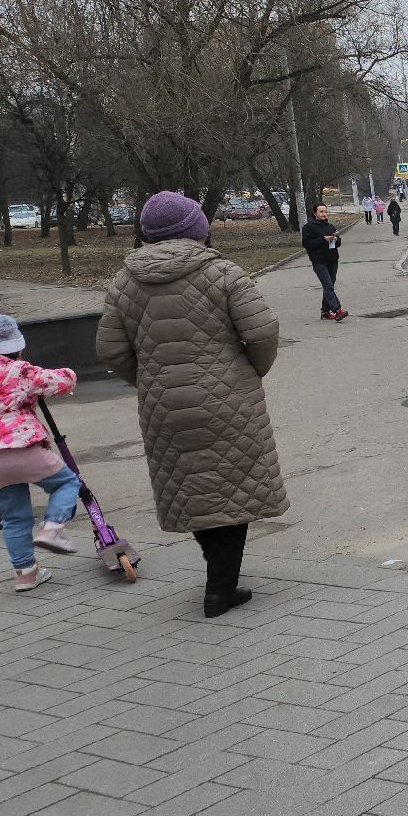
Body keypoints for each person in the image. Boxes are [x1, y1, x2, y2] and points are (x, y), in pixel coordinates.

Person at [97, 191, 287, 619]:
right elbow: (262, 331)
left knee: (196, 488)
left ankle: (219, 579)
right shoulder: (222, 273)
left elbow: (109, 349)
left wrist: (149, 379)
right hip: (228, 402)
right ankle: (221, 588)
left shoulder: (124, 282)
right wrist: (249, 371)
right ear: (197, 229)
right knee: (235, 489)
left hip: (163, 405)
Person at [0, 314, 82, 592]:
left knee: (14, 517)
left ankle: (26, 574)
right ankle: (52, 529)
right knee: (66, 483)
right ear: (14, 346)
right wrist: (69, 374)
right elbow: (60, 381)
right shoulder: (19, 371)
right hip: (23, 448)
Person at [302, 203, 348, 321]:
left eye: (325, 211)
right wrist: (323, 239)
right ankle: (337, 310)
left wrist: (336, 239)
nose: (324, 214)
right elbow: (307, 244)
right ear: (314, 213)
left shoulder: (330, 226)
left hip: (332, 260)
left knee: (329, 286)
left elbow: (338, 243)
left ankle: (325, 311)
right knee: (328, 286)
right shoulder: (308, 227)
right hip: (319, 262)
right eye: (321, 212)